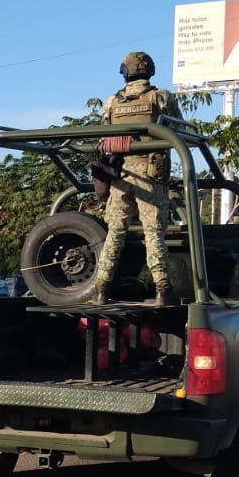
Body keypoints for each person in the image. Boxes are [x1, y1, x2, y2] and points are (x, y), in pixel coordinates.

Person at [89, 51, 183, 306]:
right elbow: (179, 130)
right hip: (151, 175)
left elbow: (103, 135)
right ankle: (163, 290)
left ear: (124, 72)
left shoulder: (112, 101)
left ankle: (100, 289)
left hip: (121, 175)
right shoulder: (160, 97)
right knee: (153, 233)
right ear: (150, 70)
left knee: (115, 233)